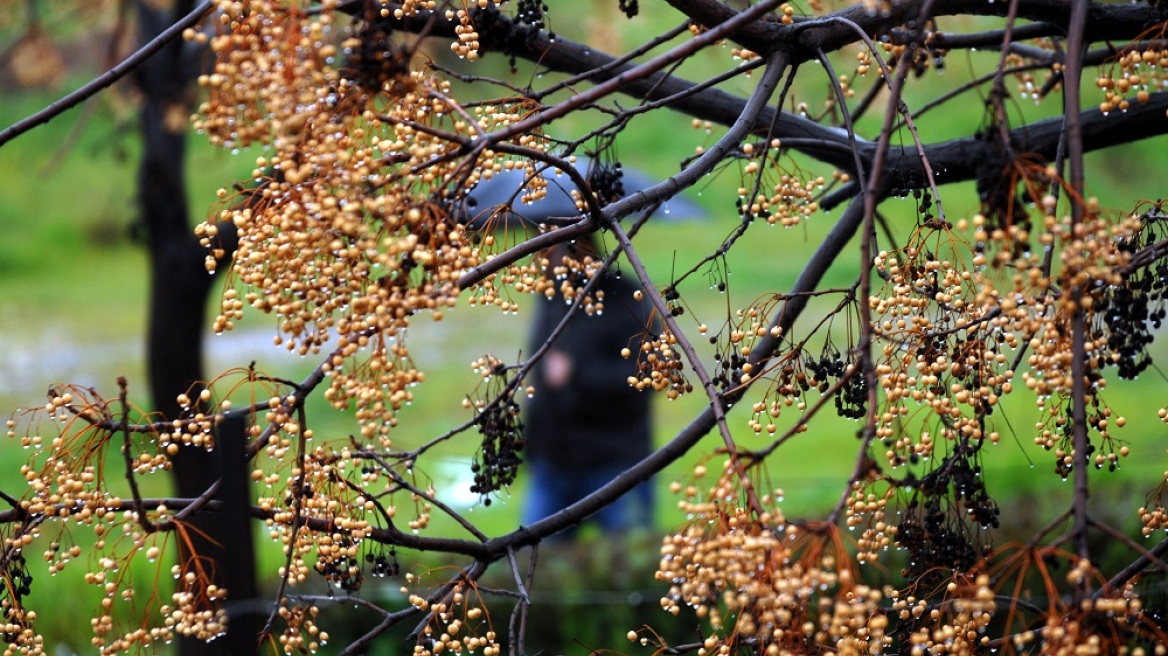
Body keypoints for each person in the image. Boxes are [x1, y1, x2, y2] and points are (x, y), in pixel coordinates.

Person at [521, 237, 657, 537]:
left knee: (626, 564)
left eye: (554, 243)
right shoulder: (551, 295)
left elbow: (644, 377)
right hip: (553, 456)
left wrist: (576, 374)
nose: (545, 255)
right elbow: (541, 368)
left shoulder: (625, 297)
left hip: (613, 460)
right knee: (536, 561)